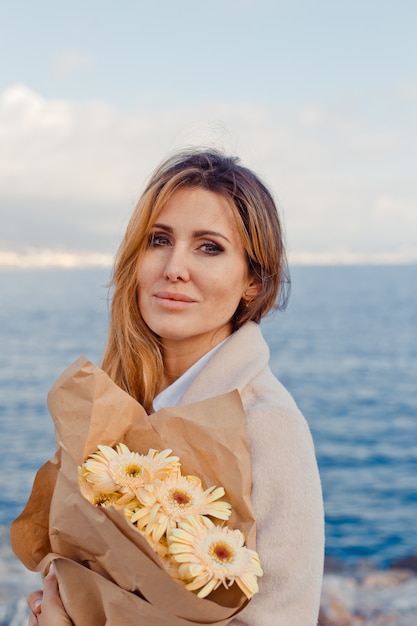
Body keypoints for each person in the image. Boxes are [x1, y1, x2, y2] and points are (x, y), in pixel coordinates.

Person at [27, 148, 324, 625]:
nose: (174, 267)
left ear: (253, 280)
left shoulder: (268, 424)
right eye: (159, 239)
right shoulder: (112, 403)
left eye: (209, 247)